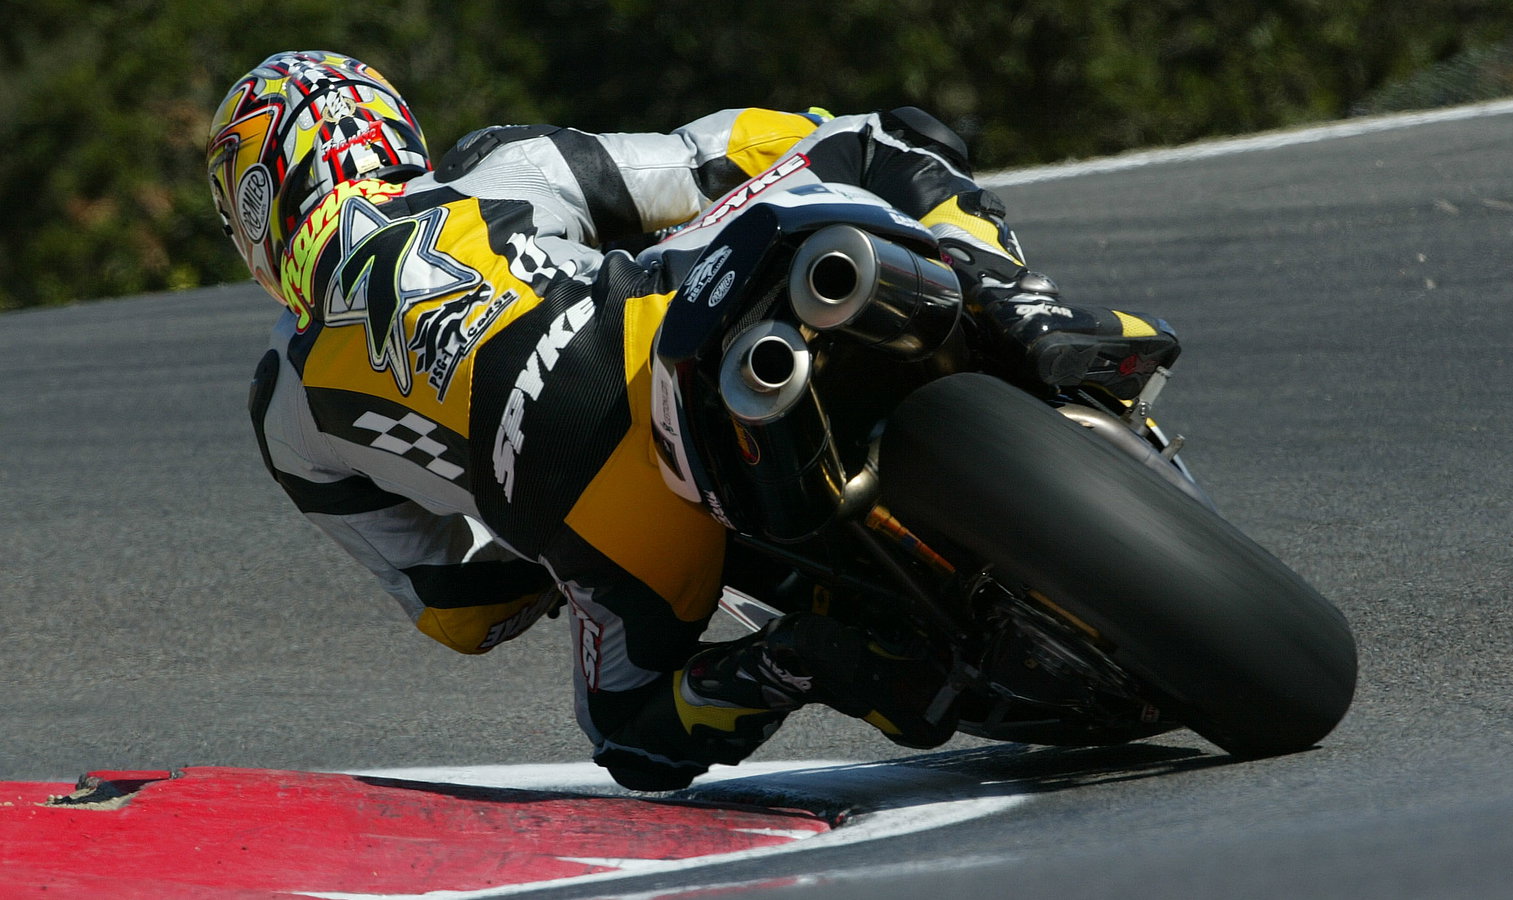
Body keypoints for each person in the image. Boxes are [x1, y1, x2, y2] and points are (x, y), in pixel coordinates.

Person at [207, 50, 1179, 791]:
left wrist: (520, 533)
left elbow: (458, 608)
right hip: (655, 343)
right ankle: (1016, 300)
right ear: (389, 129)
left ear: (258, 205)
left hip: (602, 527)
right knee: (861, 140)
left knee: (627, 733)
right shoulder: (492, 169)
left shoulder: (289, 407)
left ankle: (785, 664)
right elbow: (689, 165)